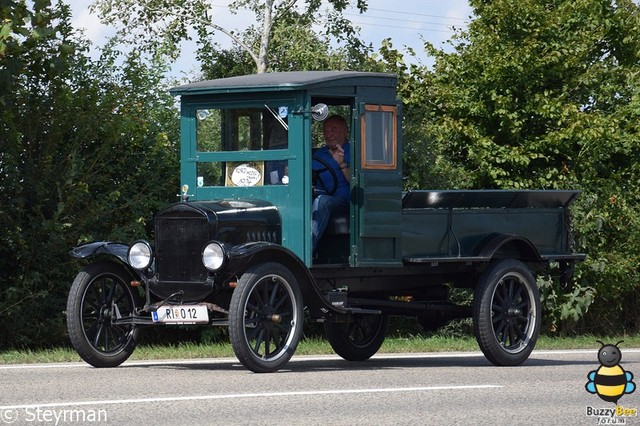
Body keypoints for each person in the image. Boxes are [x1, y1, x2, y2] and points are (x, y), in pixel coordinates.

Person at [311, 115, 350, 253]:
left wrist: (341, 163)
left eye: (333, 130)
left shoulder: (353, 151)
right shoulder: (318, 154)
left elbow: (356, 180)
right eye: (326, 131)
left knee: (322, 201)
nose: (329, 134)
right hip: (318, 196)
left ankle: (307, 249)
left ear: (345, 131)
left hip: (345, 203)